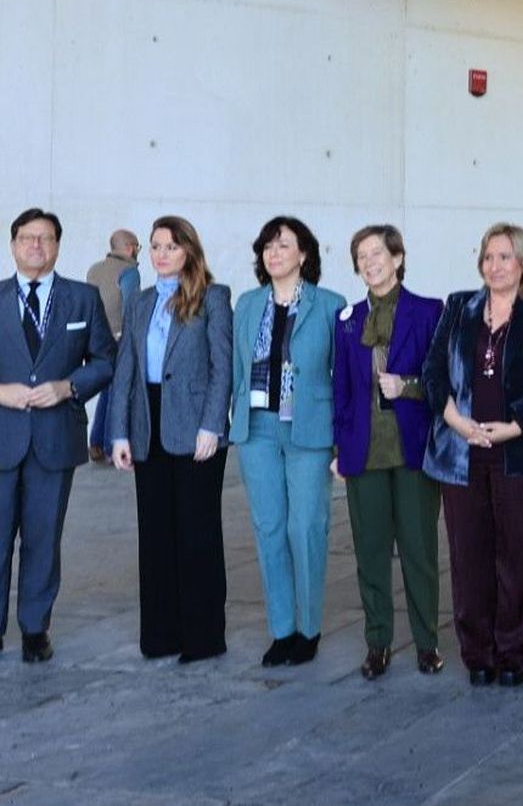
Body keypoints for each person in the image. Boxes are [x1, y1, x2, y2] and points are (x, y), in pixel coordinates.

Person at [423, 223, 523, 688]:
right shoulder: (458, 305)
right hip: (461, 454)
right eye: (488, 256)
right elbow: (433, 369)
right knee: (469, 558)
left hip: (520, 454)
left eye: (505, 257)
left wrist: (514, 425)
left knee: (520, 558)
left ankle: (515, 655)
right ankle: (478, 653)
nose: (495, 266)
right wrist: (457, 422)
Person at [107, 216, 232, 663]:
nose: (160, 254)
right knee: (155, 534)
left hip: (196, 425)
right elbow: (126, 369)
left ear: (189, 252)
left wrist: (212, 426)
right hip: (148, 421)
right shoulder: (140, 301)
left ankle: (202, 638)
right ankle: (160, 636)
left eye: (170, 247)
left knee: (196, 535)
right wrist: (117, 430)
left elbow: (222, 367)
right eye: (156, 246)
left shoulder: (213, 297)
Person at [0, 208, 116, 662]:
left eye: (45, 238)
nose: (35, 245)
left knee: (43, 538)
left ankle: (34, 629)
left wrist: (69, 387)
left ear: (57, 246)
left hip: (55, 437)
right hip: (3, 434)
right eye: (27, 238)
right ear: (13, 245)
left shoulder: (83, 299)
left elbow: (106, 360)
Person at [231, 216, 346, 667]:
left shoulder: (331, 305)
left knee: (307, 527)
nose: (274, 253)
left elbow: (343, 376)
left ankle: (309, 627)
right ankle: (282, 629)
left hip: (309, 428)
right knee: (269, 528)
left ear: (304, 254)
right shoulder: (247, 304)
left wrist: (342, 438)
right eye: (268, 246)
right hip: (257, 428)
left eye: (284, 245)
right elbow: (240, 368)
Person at [332, 225, 445, 680]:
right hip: (364, 455)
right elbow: (341, 388)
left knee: (419, 552)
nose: (369, 262)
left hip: (413, 450)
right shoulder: (348, 320)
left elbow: (444, 381)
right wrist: (339, 449)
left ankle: (426, 643)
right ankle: (377, 643)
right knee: (371, 553)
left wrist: (409, 387)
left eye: (377, 252)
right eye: (361, 256)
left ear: (397, 258)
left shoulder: (429, 311)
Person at [86, 229, 141, 462]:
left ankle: (96, 442)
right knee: (118, 391)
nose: (138, 252)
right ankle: (110, 446)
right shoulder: (129, 272)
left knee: (106, 391)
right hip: (119, 339)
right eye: (138, 247)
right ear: (129, 247)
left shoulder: (94, 269)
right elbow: (132, 308)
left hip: (94, 340)